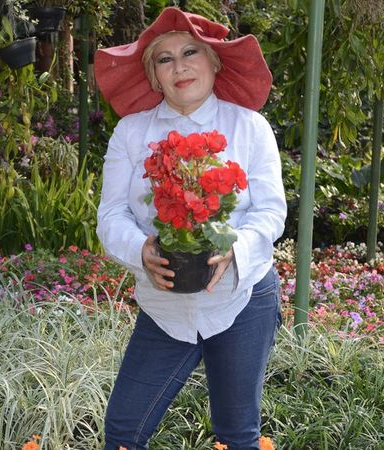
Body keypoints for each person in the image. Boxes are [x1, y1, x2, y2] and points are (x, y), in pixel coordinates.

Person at [93, 7, 287, 450]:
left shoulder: (250, 127)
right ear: (153, 76)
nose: (179, 66)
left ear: (214, 62)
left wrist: (235, 246)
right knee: (124, 431)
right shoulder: (130, 133)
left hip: (242, 298)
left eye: (190, 52)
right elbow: (111, 216)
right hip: (165, 306)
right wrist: (141, 249)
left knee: (237, 437)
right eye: (164, 59)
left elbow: (271, 213)